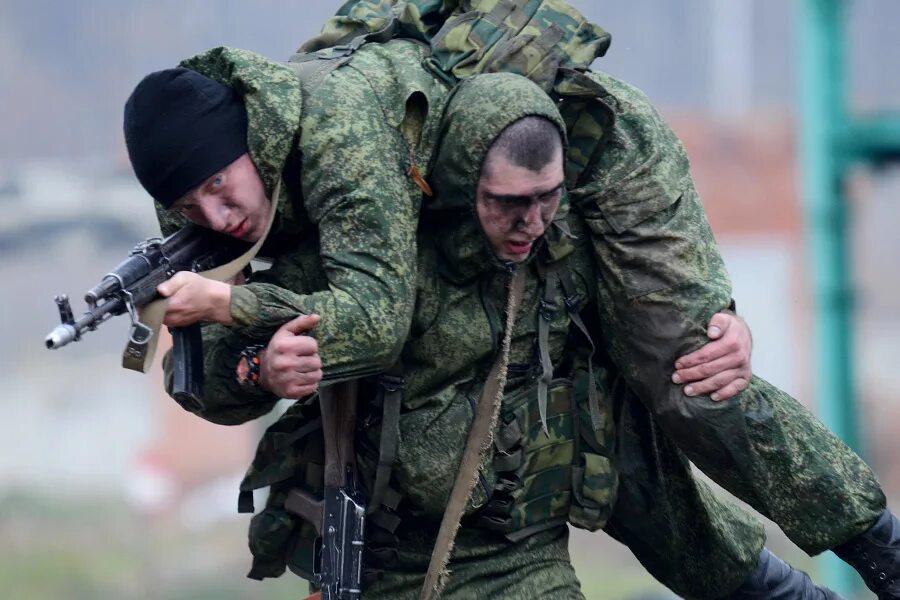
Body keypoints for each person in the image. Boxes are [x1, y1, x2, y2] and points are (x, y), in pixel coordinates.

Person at [120, 8, 899, 599]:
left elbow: (375, 318)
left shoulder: (340, 137)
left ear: (252, 139)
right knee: (599, 445)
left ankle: (882, 549)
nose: (216, 218)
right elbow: (217, 380)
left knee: (693, 371)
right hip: (449, 477)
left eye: (220, 187)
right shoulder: (198, 193)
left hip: (586, 152)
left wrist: (711, 303)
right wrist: (254, 364)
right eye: (190, 204)